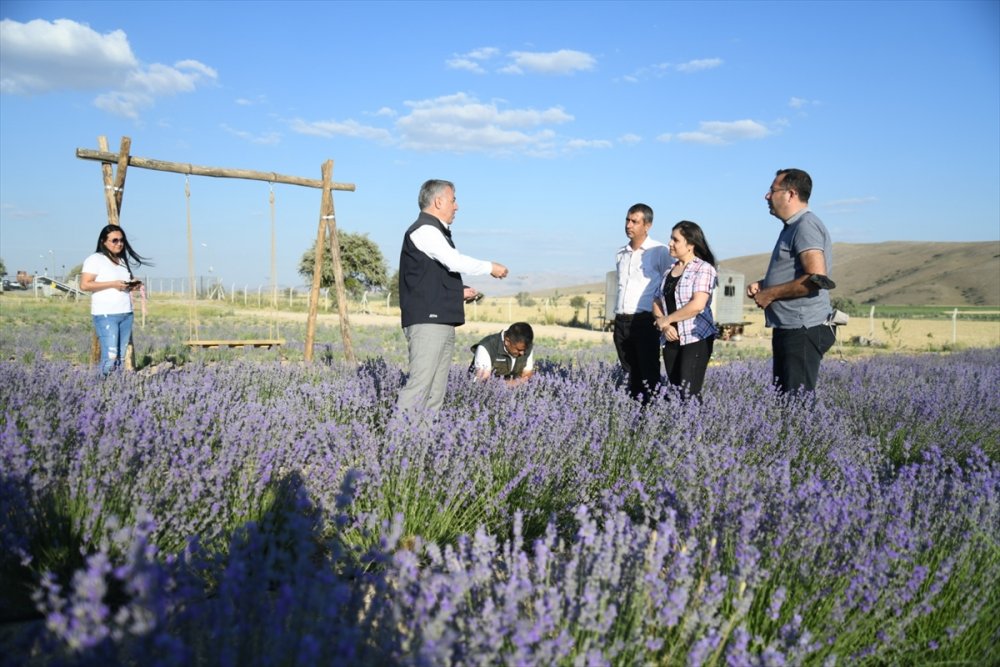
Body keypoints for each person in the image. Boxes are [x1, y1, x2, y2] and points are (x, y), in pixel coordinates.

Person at [397, 179, 508, 413]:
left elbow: (431, 277)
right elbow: (454, 261)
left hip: (440, 320)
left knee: (435, 394)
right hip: (428, 322)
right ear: (438, 201)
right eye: (453, 200)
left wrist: (459, 292)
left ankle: (421, 446)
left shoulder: (436, 232)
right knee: (419, 388)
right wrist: (490, 267)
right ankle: (398, 444)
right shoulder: (425, 230)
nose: (456, 206)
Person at [747, 168, 835, 394]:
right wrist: (765, 284)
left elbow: (817, 278)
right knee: (788, 402)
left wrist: (771, 294)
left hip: (802, 328)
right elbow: (797, 273)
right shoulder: (793, 226)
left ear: (790, 194)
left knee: (798, 405)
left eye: (772, 190)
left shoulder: (805, 226)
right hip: (792, 327)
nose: (767, 196)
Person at [652, 221, 718, 398]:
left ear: (690, 245)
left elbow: (697, 305)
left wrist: (667, 319)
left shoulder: (704, 269)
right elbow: (657, 300)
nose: (670, 243)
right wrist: (665, 325)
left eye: (675, 240)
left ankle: (697, 425)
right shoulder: (669, 271)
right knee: (675, 391)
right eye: (671, 239)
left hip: (695, 338)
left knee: (688, 393)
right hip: (670, 338)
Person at [614, 203, 672, 403]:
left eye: (635, 221)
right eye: (627, 220)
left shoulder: (659, 251)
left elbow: (670, 282)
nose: (629, 225)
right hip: (621, 320)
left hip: (645, 319)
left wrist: (666, 317)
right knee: (630, 371)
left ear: (647, 225)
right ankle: (636, 411)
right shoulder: (621, 254)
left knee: (648, 371)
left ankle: (655, 410)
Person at [79, 224, 152, 376]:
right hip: (106, 314)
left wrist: (133, 285)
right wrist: (113, 284)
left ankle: (115, 388)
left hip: (126, 313)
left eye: (121, 240)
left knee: (119, 357)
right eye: (115, 240)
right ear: (103, 242)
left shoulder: (122, 262)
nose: (119, 243)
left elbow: (121, 286)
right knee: (110, 356)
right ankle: (101, 387)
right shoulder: (95, 259)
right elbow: (85, 284)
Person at [469, 322, 535, 385]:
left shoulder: (525, 346)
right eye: (518, 350)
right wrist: (512, 384)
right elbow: (483, 381)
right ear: (507, 341)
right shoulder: (486, 347)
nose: (522, 353)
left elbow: (527, 375)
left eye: (524, 350)